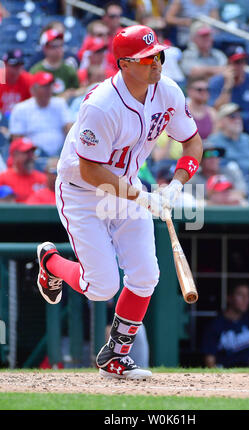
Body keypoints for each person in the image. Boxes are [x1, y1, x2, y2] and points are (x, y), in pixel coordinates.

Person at [35, 24, 203, 380]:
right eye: (146, 59)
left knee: (146, 275)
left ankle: (116, 355)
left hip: (125, 187)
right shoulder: (101, 105)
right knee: (101, 288)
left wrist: (176, 184)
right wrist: (143, 195)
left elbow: (192, 144)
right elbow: (92, 171)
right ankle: (51, 262)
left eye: (158, 54)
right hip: (83, 191)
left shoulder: (168, 91)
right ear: (124, 64)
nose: (156, 63)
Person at [9, 72, 73, 162]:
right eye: (44, 86)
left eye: (50, 86)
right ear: (33, 90)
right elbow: (17, 139)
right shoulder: (21, 108)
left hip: (60, 154)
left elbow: (70, 128)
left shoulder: (60, 104)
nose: (48, 89)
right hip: (34, 156)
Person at [201, 282, 249, 368]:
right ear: (229, 298)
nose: (246, 299)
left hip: (247, 374)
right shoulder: (215, 324)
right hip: (224, 373)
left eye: (248, 295)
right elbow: (209, 360)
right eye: (240, 295)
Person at [209, 103, 249, 193]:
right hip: (230, 188)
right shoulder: (213, 142)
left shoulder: (247, 139)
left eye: (239, 116)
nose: (237, 120)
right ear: (221, 122)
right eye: (232, 117)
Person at [29, 29, 79, 99]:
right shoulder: (36, 70)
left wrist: (70, 93)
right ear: (45, 48)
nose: (58, 49)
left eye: (61, 45)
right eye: (54, 46)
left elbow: (77, 91)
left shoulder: (69, 69)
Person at [0, 137, 46, 203]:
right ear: (15, 155)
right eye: (26, 152)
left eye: (32, 152)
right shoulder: (3, 178)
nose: (31, 156)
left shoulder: (42, 179)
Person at [0, 50, 32, 116]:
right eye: (14, 65)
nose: (17, 68)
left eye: (20, 64)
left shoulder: (28, 80)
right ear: (5, 64)